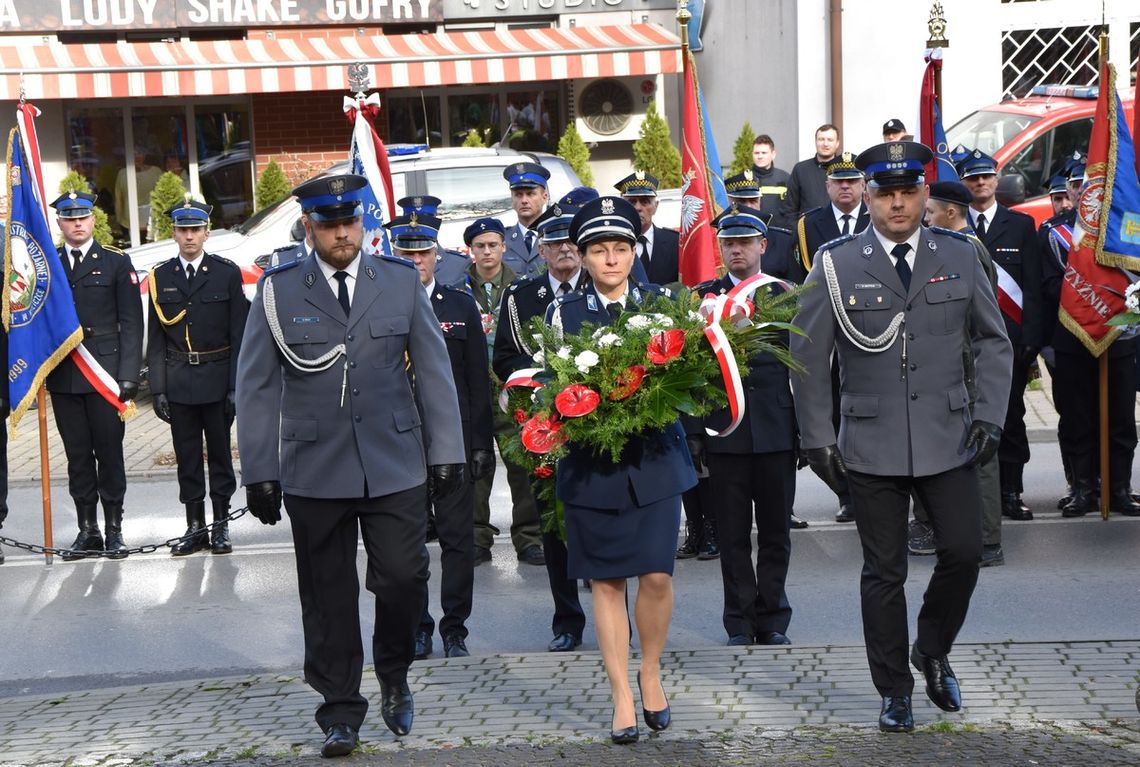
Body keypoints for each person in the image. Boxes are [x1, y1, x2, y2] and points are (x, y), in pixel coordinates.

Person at [236, 174, 466, 756]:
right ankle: (339, 709)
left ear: (363, 223)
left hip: (394, 459)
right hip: (315, 466)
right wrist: (260, 469)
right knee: (327, 594)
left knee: (403, 577)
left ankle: (393, 671)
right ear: (309, 226)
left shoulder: (397, 282)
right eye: (330, 224)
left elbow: (434, 371)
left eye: (351, 222)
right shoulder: (279, 290)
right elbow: (257, 385)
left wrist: (447, 451)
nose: (343, 234)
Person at [791, 141, 1012, 733]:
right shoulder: (836, 263)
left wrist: (990, 416)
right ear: (866, 194)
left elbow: (993, 340)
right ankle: (894, 690)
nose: (897, 203)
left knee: (965, 552)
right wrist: (817, 438)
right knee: (883, 573)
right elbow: (808, 352)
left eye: (907, 191)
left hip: (950, 434)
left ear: (924, 194)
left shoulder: (961, 255)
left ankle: (931, 647)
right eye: (884, 193)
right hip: (870, 441)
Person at [546, 195, 697, 744]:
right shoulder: (563, 313)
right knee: (606, 581)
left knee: (657, 574)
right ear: (582, 257)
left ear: (634, 252)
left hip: (656, 459)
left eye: (620, 248)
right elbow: (553, 386)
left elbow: (689, 377)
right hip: (592, 463)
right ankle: (621, 695)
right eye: (598, 250)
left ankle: (650, 671)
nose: (611, 260)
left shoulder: (665, 303)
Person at [385, 206, 495, 660]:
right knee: (408, 546)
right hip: (399, 442)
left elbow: (476, 381)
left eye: (424, 253)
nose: (416, 261)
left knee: (457, 539)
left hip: (453, 439)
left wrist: (480, 444)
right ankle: (420, 626)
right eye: (406, 253)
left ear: (437, 255)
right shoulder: (381, 303)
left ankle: (455, 627)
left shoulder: (459, 303)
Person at [691, 205, 797, 646]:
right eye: (729, 243)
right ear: (720, 248)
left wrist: (808, 435)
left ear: (762, 246)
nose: (737, 250)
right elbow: (690, 371)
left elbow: (806, 369)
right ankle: (738, 620)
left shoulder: (784, 295)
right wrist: (695, 434)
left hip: (775, 432)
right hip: (724, 435)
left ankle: (772, 619)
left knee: (776, 533)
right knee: (732, 536)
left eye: (745, 242)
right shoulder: (702, 299)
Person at [492, 202, 587, 650]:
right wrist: (538, 382)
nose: (564, 249)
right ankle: (566, 618)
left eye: (571, 241)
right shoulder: (521, 297)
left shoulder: (601, 288)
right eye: (554, 243)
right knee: (552, 520)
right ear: (541, 250)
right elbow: (505, 358)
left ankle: (611, 611)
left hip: (597, 420)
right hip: (546, 423)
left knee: (598, 518)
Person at [147, 198, 248, 556]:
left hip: (218, 378)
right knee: (187, 456)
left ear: (207, 232)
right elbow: (156, 338)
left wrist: (236, 385)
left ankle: (220, 525)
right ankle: (194, 526)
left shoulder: (226, 273)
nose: (189, 237)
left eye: (195, 230)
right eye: (183, 230)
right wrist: (158, 388)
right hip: (179, 381)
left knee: (220, 455)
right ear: (173, 233)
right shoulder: (161, 276)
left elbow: (240, 335)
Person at [1040, 160, 1140, 518]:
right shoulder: (1054, 233)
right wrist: (1089, 303)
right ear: (1070, 191)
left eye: (1093, 182)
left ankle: (1119, 489)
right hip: (1072, 340)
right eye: (1079, 184)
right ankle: (1083, 489)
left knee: (1121, 422)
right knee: (1077, 420)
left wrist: (1111, 307)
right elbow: (1048, 285)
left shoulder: (1128, 229)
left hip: (1119, 338)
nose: (1086, 189)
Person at [48, 191, 144, 561]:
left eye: (82, 217)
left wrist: (129, 375)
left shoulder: (116, 262)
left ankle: (114, 530)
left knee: (109, 454)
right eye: (69, 218)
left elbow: (131, 323)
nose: (76, 223)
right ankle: (87, 531)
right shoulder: (51, 263)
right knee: (77, 457)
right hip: (65, 376)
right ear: (59, 223)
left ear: (93, 220)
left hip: (105, 375)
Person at [915, 181, 1005, 566]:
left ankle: (986, 540)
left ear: (950, 213)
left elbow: (978, 313)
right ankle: (938, 526)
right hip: (951, 358)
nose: (927, 220)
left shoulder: (967, 248)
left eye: (931, 212)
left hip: (965, 361)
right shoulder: (952, 246)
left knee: (977, 449)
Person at [958, 149, 1044, 521]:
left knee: (1010, 418)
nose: (980, 182)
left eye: (986, 176)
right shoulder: (951, 228)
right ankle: (976, 495)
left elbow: (1035, 289)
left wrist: (1031, 343)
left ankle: (1011, 490)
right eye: (973, 177)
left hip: (1009, 344)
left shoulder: (1021, 226)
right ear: (964, 183)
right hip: (963, 345)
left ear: (996, 180)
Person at [463, 218, 545, 566]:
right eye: (480, 246)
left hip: (513, 391)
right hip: (475, 389)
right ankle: (477, 537)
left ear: (503, 247)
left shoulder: (522, 288)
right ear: (471, 250)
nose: (486, 251)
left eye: (492, 245)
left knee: (523, 467)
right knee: (476, 470)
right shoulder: (459, 288)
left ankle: (529, 538)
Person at [795, 152, 870, 524]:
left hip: (870, 323)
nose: (845, 187)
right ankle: (848, 492)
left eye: (852, 181)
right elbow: (811, 276)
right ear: (827, 186)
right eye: (838, 182)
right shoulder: (810, 224)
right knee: (836, 411)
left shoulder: (878, 219)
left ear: (862, 186)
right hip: (831, 323)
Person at [724, 170, 804, 284]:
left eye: (753, 201)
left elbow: (795, 289)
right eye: (741, 201)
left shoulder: (782, 241)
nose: (749, 207)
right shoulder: (715, 242)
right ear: (728, 202)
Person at [615, 171, 680, 285]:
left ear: (656, 207)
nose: (638, 207)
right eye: (632, 202)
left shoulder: (675, 243)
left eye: (645, 202)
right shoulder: (613, 243)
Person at [777, 123, 840, 227]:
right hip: (808, 234)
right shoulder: (801, 169)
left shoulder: (845, 170)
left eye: (830, 140)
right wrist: (798, 234)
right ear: (816, 142)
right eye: (821, 139)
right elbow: (789, 209)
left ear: (837, 143)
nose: (825, 144)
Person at [502, 162, 550, 278]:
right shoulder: (501, 239)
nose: (524, 200)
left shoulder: (555, 236)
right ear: (512, 199)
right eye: (518, 195)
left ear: (545, 197)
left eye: (530, 194)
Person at [114, 147, 163, 237]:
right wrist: (119, 221)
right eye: (133, 154)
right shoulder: (122, 174)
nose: (136, 157)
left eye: (139, 153)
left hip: (152, 223)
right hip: (128, 224)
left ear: (144, 156)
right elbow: (118, 199)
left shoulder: (155, 172)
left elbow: (162, 196)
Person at [751, 134, 791, 223]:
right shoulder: (744, 180)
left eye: (764, 153)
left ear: (773, 154)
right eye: (756, 153)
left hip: (779, 233)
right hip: (753, 233)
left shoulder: (785, 178)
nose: (760, 156)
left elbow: (792, 209)